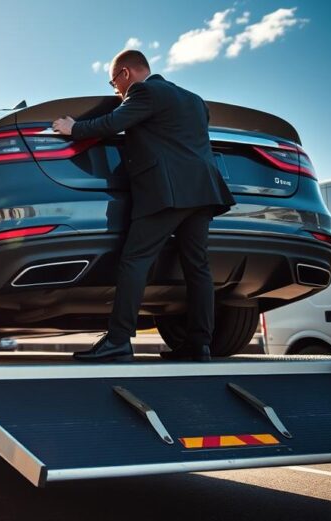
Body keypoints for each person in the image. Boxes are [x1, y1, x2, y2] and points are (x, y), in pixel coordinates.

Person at [51, 49, 235, 362]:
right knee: (197, 267)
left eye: (114, 83)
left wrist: (74, 128)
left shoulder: (144, 92)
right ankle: (199, 343)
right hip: (203, 192)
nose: (116, 91)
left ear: (125, 73)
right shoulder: (194, 100)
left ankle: (118, 341)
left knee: (135, 260)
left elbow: (114, 122)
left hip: (167, 193)